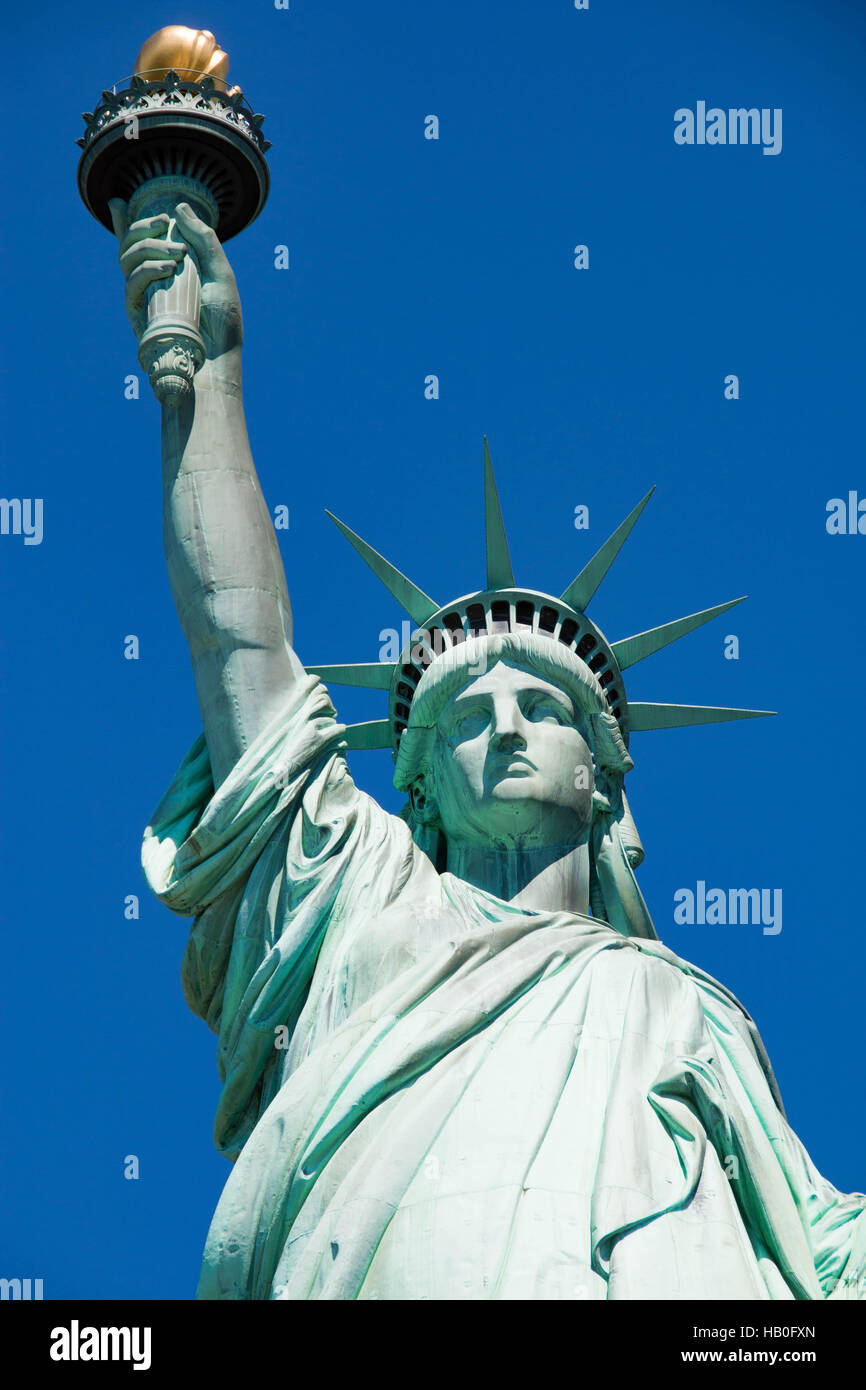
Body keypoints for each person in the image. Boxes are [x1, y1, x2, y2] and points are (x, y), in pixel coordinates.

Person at [110, 197, 866, 1301]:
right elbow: (238, 639)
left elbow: (818, 1246)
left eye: (540, 706)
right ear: (415, 781)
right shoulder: (356, 903)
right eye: (464, 715)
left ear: (602, 776)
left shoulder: (690, 1008)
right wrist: (212, 382)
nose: (503, 726)